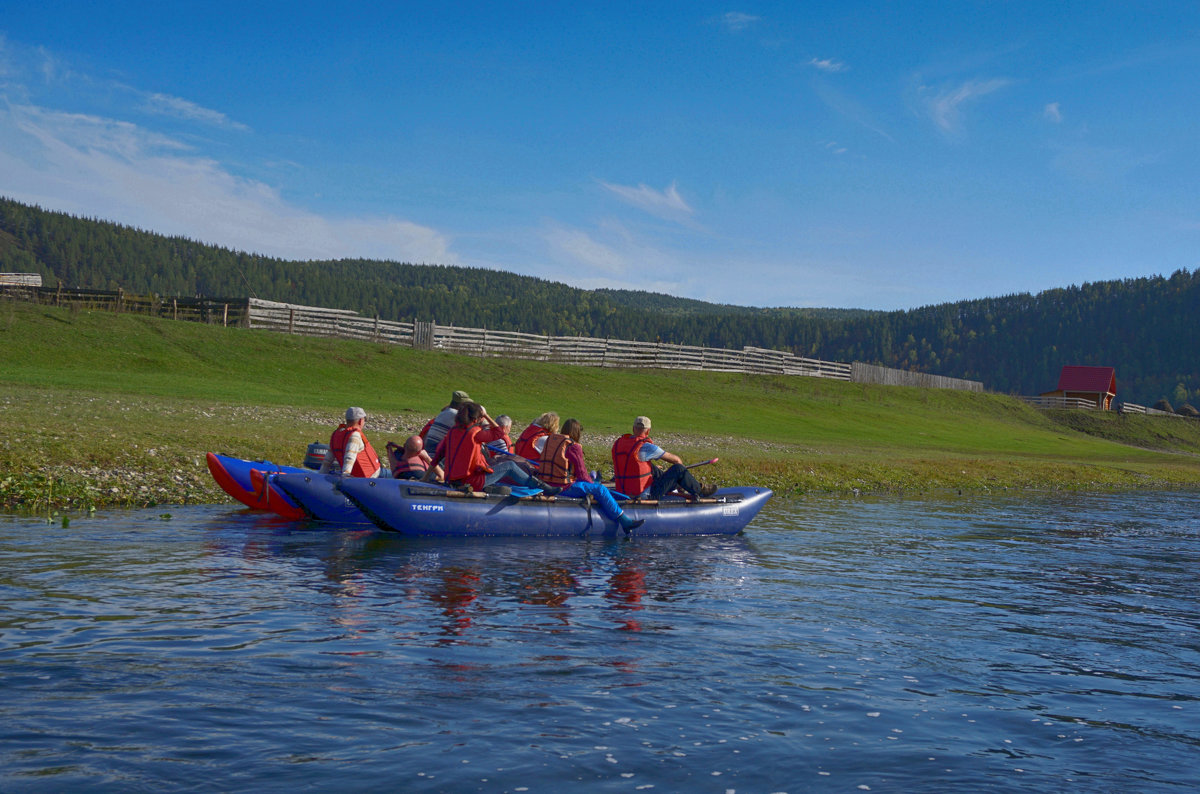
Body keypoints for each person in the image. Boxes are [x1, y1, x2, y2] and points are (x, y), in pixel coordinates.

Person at [425, 402, 560, 494]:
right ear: (477, 418)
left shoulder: (452, 432)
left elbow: (437, 457)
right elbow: (499, 433)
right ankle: (542, 487)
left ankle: (493, 489)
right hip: (472, 481)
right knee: (510, 466)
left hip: (452, 480)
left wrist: (424, 478)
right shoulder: (475, 434)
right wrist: (487, 415)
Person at [542, 418, 644, 531]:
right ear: (577, 432)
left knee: (595, 486)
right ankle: (624, 521)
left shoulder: (554, 442)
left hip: (547, 486)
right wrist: (593, 483)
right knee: (600, 489)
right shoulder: (573, 447)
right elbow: (582, 475)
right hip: (564, 488)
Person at [611, 415, 716, 500]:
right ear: (648, 431)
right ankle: (699, 489)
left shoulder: (618, 444)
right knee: (678, 469)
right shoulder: (646, 447)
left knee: (652, 467)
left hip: (622, 492)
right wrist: (681, 473)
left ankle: (678, 484)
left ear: (633, 429)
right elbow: (676, 460)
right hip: (645, 495)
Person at [319, 406, 382, 478]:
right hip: (370, 478)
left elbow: (327, 460)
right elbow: (349, 457)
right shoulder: (355, 436)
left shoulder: (336, 435)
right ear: (360, 421)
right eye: (364, 420)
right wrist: (346, 475)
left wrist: (321, 475)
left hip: (357, 476)